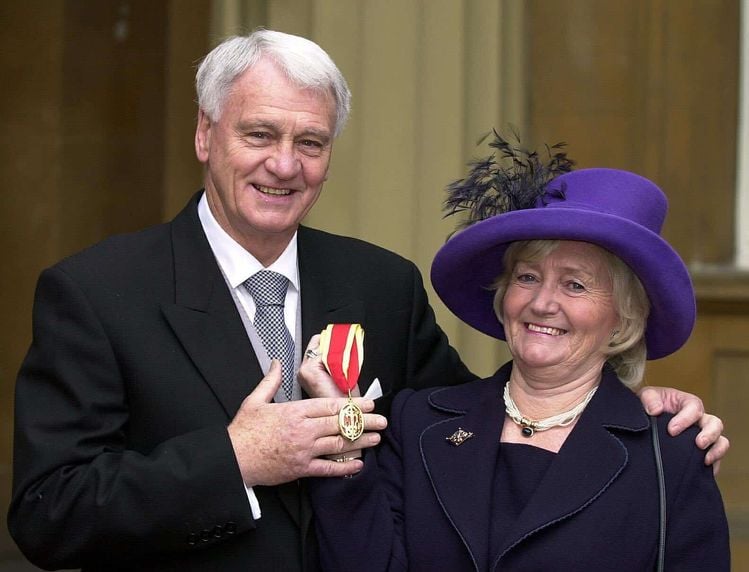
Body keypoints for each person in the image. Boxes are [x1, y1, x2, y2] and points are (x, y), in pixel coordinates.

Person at [7, 30, 725, 572]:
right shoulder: (98, 292)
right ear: (205, 133)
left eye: (310, 142)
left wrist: (617, 403)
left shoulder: (377, 283)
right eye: (259, 133)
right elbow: (47, 515)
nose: (284, 164)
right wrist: (235, 460)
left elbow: (474, 425)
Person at [302, 152, 730, 570]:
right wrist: (342, 443)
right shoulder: (418, 422)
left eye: (575, 286)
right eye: (527, 277)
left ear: (622, 322)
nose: (542, 303)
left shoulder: (670, 453)